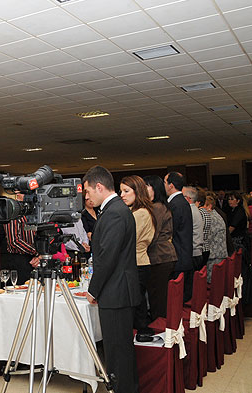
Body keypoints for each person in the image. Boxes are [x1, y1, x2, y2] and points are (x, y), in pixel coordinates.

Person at [83, 166, 140, 393]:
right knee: (118, 350)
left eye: (88, 191)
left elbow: (108, 257)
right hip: (117, 289)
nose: (86, 197)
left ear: (99, 187)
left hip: (116, 291)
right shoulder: (115, 209)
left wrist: (93, 289)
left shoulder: (115, 211)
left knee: (118, 351)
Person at [120, 175, 155, 335]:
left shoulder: (140, 213)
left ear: (137, 191)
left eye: (126, 191)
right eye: (121, 191)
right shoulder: (134, 211)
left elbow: (126, 240)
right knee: (137, 304)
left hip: (137, 263)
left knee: (137, 307)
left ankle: (141, 339)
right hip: (138, 262)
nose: (122, 195)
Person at [143, 175, 178, 320]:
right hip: (164, 256)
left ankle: (161, 331)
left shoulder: (156, 207)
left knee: (158, 299)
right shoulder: (160, 206)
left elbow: (152, 235)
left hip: (160, 257)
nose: (143, 190)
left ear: (155, 188)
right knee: (159, 297)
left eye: (147, 186)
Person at [164, 172, 194, 302]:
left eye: (164, 182)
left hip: (179, 257)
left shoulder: (176, 204)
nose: (163, 185)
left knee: (177, 300)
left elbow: (171, 230)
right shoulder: (182, 201)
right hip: (184, 255)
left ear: (171, 185)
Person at [2, 192, 39, 283]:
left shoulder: (33, 212)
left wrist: (39, 255)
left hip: (33, 258)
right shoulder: (13, 213)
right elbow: (14, 241)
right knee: (20, 289)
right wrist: (35, 252)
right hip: (18, 259)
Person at [203, 194, 228, 282]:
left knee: (213, 284)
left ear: (209, 206)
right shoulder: (216, 214)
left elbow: (208, 237)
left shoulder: (211, 217)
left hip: (215, 257)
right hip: (219, 255)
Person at [182, 186, 205, 271]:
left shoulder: (190, 211)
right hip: (196, 252)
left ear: (187, 198)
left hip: (193, 253)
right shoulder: (195, 209)